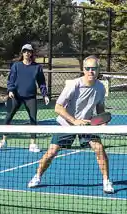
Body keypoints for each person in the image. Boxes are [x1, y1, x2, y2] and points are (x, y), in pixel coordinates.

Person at [27, 56, 114, 194]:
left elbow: (100, 109)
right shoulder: (74, 85)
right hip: (67, 124)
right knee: (51, 153)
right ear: (83, 69)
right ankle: (37, 176)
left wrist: (101, 121)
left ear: (98, 70)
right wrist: (74, 121)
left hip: (87, 124)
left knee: (99, 149)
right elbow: (58, 107)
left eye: (94, 68)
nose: (90, 71)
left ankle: (106, 181)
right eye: (88, 68)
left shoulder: (100, 88)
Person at [0, 43, 49, 153]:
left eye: (29, 51)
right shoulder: (16, 66)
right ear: (22, 53)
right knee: (8, 117)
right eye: (25, 51)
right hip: (16, 96)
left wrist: (45, 94)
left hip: (31, 98)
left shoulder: (37, 67)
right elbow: (11, 80)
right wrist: (10, 90)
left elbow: (42, 83)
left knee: (33, 119)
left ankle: (33, 144)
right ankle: (3, 141)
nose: (27, 53)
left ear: (31, 53)